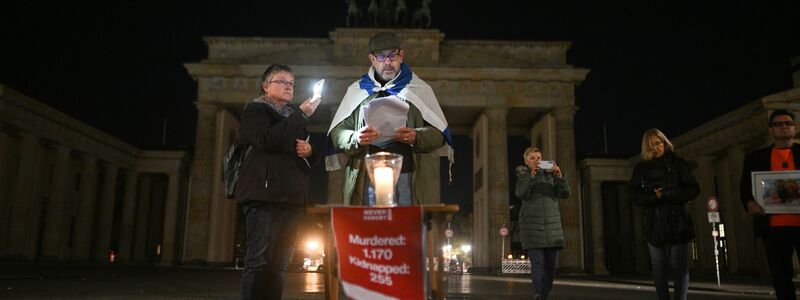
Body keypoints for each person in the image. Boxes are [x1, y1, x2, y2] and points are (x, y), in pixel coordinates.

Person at [327, 31, 452, 206]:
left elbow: (439, 134)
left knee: (406, 229)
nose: (387, 62)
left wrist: (416, 136)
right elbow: (337, 133)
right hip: (366, 176)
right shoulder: (357, 91)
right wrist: (355, 137)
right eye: (381, 56)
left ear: (401, 56)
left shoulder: (420, 90)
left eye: (392, 55)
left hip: (409, 177)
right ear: (372, 59)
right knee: (370, 228)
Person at [234, 64, 320, 300]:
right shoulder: (256, 110)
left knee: (280, 264)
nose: (288, 86)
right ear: (265, 86)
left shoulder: (292, 115)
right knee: (259, 261)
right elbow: (267, 140)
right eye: (281, 81)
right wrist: (300, 115)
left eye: (291, 83)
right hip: (263, 195)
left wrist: (311, 151)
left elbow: (301, 152)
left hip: (291, 197)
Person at [628, 128, 699, 300]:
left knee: (679, 265)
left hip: (677, 220)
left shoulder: (678, 164)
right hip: (654, 221)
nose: (655, 148)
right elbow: (634, 195)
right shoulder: (642, 168)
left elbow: (693, 189)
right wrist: (654, 197)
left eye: (658, 143)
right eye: (651, 145)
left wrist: (666, 194)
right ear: (646, 147)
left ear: (665, 142)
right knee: (658, 266)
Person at [740, 109, 800, 300]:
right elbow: (745, 188)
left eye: (788, 123)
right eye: (778, 124)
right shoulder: (755, 158)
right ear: (771, 130)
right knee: (781, 277)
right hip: (772, 226)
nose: (783, 127)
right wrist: (749, 203)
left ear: (795, 128)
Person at [514, 146, 570, 300]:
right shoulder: (523, 176)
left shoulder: (550, 176)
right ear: (526, 161)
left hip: (551, 229)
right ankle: (538, 293)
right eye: (532, 158)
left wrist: (559, 175)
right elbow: (520, 193)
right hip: (532, 229)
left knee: (550, 267)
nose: (536, 161)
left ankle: (544, 293)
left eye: (539, 157)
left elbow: (565, 193)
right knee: (538, 264)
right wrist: (531, 177)